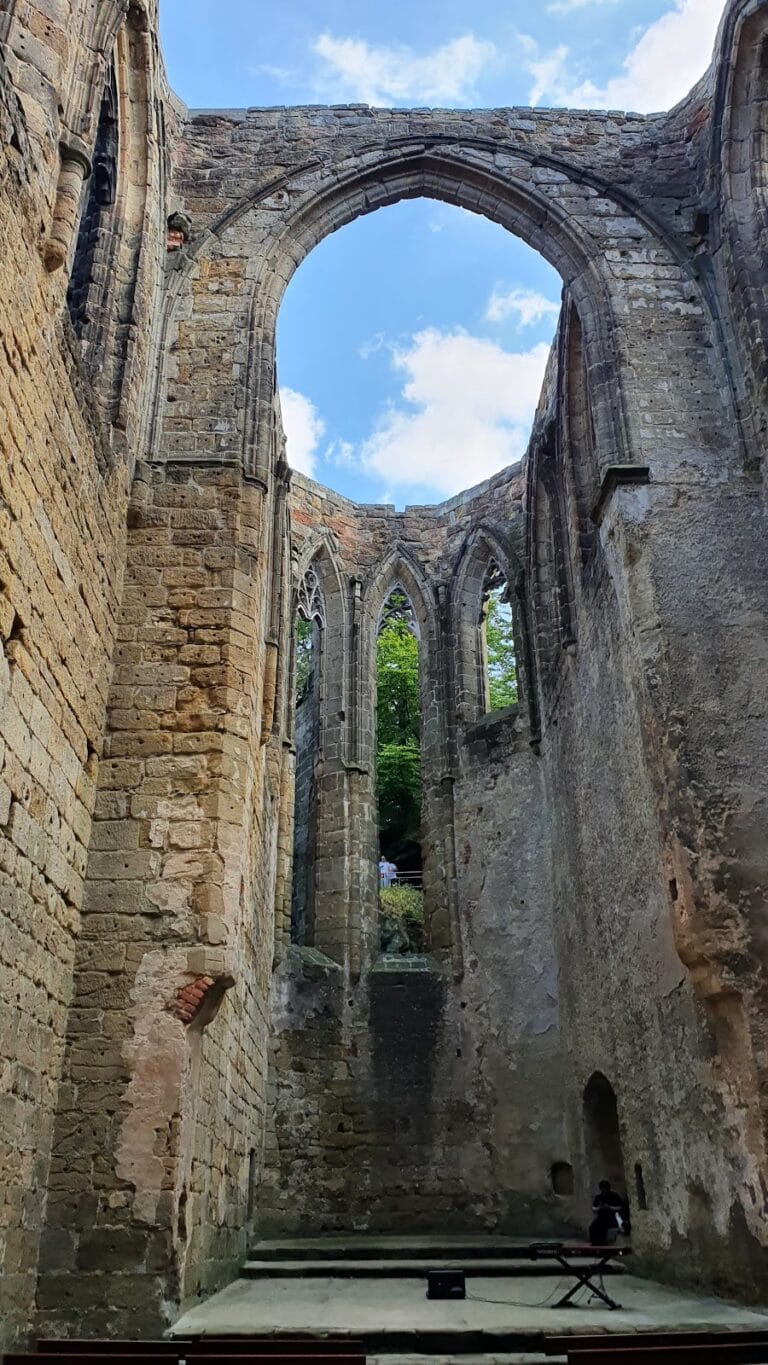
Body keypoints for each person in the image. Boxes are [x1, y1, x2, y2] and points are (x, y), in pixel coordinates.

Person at [589, 1179, 626, 1245]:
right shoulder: (599, 1197)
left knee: (603, 1227)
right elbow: (594, 1208)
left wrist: (609, 1207)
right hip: (601, 1217)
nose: (604, 1190)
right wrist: (599, 1207)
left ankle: (602, 1242)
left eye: (606, 1188)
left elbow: (619, 1207)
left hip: (612, 1217)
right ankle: (595, 1242)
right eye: (603, 1188)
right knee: (593, 1227)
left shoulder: (614, 1196)